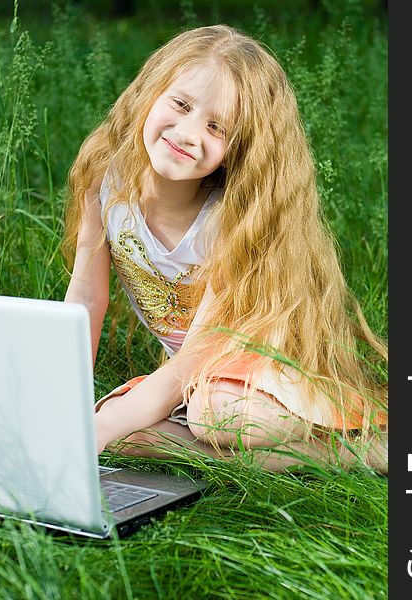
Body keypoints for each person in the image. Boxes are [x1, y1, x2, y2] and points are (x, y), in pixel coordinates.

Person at [63, 24, 388, 474]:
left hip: (265, 373)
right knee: (130, 438)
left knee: (215, 416)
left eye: (217, 127)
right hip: (198, 379)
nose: (188, 133)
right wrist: (62, 408)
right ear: (150, 92)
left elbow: (198, 353)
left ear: (241, 149)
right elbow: (86, 298)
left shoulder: (232, 222)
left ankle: (362, 448)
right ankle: (288, 460)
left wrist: (100, 427)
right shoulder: (105, 182)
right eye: (180, 104)